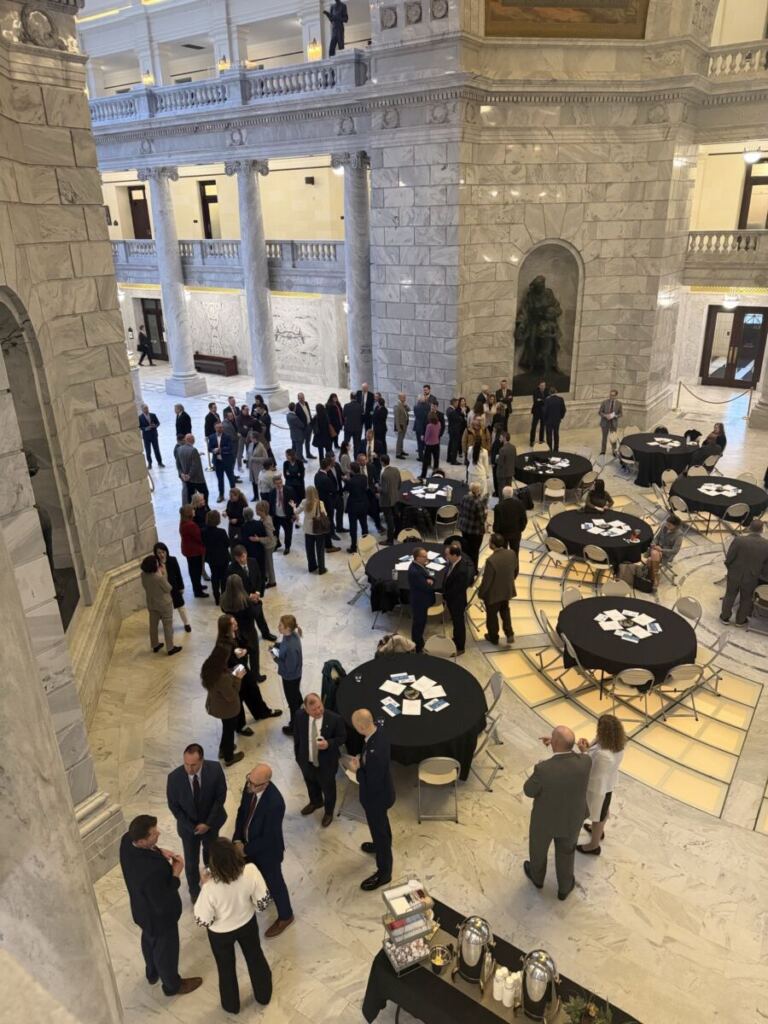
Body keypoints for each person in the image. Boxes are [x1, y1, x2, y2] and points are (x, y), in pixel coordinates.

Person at [119, 814, 202, 996]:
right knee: (167, 951)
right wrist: (176, 873)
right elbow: (164, 894)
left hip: (142, 911)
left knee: (149, 940)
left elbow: (146, 853)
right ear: (141, 841)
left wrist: (157, 849)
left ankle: (152, 972)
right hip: (161, 916)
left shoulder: (126, 841)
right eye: (153, 834)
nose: (159, 833)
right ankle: (173, 985)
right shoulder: (151, 871)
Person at [193, 838, 272, 1014]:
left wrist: (202, 885)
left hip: (220, 934)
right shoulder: (250, 871)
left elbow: (202, 920)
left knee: (225, 967)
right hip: (247, 924)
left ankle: (231, 1006)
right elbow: (262, 903)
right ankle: (263, 995)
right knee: (255, 958)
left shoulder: (209, 887)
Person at [523, 725, 591, 900]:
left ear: (554, 743)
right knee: (567, 852)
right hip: (572, 819)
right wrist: (579, 750)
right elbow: (575, 758)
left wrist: (544, 762)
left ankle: (537, 878)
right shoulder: (585, 762)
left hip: (545, 821)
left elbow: (529, 791)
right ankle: (565, 886)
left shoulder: (543, 769)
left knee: (538, 850)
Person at [233, 763, 294, 937]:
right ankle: (265, 894)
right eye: (249, 780)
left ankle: (286, 916)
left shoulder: (275, 803)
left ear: (266, 784)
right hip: (246, 844)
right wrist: (237, 839)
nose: (249, 786)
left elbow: (269, 837)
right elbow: (241, 813)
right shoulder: (250, 786)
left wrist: (245, 850)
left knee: (275, 882)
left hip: (268, 852)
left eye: (254, 784)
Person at [166, 743, 227, 901]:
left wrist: (207, 824)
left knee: (210, 855)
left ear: (202, 761)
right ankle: (194, 891)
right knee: (192, 862)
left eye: (193, 765)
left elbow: (220, 799)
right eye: (186, 764)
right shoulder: (174, 778)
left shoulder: (215, 770)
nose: (189, 769)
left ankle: (212, 883)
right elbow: (174, 807)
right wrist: (192, 827)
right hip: (188, 829)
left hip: (211, 825)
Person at [348, 708, 395, 890]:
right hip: (384, 791)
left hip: (376, 798)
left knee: (379, 831)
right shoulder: (378, 733)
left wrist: (357, 770)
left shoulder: (375, 752)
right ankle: (381, 844)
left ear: (360, 726)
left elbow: (371, 781)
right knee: (382, 825)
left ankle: (384, 873)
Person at [293, 692, 346, 826]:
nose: (318, 711)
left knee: (329, 790)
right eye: (314, 709)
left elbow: (342, 738)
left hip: (326, 765)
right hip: (306, 762)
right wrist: (299, 757)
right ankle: (316, 802)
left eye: (320, 707)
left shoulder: (335, 719)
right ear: (306, 709)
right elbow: (297, 737)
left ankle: (328, 812)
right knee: (310, 784)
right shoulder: (299, 716)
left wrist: (328, 743)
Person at [576, 714, 626, 856]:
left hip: (598, 789)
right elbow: (595, 746)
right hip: (607, 784)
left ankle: (594, 845)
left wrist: (584, 753)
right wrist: (588, 746)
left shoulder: (604, 755)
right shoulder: (617, 743)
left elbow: (593, 772)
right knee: (602, 811)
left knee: (599, 815)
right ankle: (596, 830)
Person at [201, 617, 247, 767]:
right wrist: (237, 677)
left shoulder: (211, 669)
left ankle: (223, 749)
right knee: (229, 730)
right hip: (227, 708)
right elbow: (232, 695)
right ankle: (229, 757)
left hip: (217, 705)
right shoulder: (223, 678)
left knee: (226, 728)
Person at [720, 520, 768, 625]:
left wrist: (731, 569)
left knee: (729, 595)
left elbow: (729, 558)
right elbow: (766, 565)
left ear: (750, 528)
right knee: (746, 598)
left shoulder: (739, 540)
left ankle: (725, 618)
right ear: (762, 530)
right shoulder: (766, 545)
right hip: (752, 576)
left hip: (735, 573)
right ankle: (740, 621)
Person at [226, 545, 276, 641]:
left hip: (255, 597)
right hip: (242, 600)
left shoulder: (253, 561)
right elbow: (234, 588)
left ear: (246, 554)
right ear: (235, 558)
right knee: (246, 621)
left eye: (243, 556)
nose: (242, 559)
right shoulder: (231, 569)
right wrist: (249, 596)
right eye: (239, 558)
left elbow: (259, 578)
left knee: (260, 617)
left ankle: (265, 633)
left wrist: (257, 593)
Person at [479, 533, 517, 645]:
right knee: (505, 610)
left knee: (492, 616)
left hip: (493, 594)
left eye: (490, 541)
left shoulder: (491, 560)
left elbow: (486, 581)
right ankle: (509, 633)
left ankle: (493, 636)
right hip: (507, 590)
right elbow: (515, 568)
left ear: (493, 545)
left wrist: (481, 593)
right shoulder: (512, 553)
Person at [140, 554, 182, 656]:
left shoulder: (143, 575)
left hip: (151, 603)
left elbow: (145, 586)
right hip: (164, 604)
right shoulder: (159, 577)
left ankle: (155, 645)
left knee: (153, 625)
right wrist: (164, 574)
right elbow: (168, 588)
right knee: (167, 626)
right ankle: (170, 648)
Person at [442, 541, 475, 654]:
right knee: (456, 623)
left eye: (448, 555)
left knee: (459, 624)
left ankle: (460, 647)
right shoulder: (454, 563)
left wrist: (445, 597)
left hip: (457, 602)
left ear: (455, 555)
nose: (446, 557)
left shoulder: (461, 570)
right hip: (453, 600)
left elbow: (456, 590)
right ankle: (456, 640)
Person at [274, 613, 303, 736]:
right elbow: (284, 645)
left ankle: (295, 727)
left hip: (290, 677)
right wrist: (277, 646)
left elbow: (288, 668)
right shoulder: (292, 635)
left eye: (280, 625)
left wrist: (275, 658)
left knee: (292, 702)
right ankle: (302, 711)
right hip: (295, 675)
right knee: (296, 695)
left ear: (288, 629)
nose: (278, 627)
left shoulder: (291, 648)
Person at [154, 542, 191, 634]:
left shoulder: (173, 560)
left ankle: (186, 623)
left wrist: (181, 587)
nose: (162, 554)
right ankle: (168, 626)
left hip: (174, 588)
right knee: (166, 610)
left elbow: (178, 574)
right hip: (163, 591)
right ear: (156, 554)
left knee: (181, 607)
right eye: (159, 553)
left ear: (166, 551)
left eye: (163, 552)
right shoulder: (155, 564)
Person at [296, 485, 329, 574]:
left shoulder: (304, 502)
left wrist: (293, 506)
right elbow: (324, 514)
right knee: (320, 550)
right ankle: (321, 569)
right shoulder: (320, 503)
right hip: (318, 529)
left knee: (309, 550)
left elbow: (296, 512)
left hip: (308, 529)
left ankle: (312, 567)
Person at [408, 547, 435, 652]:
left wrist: (430, 580)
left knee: (420, 623)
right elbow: (427, 586)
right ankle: (418, 647)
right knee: (418, 624)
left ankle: (418, 643)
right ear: (417, 558)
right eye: (424, 557)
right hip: (420, 602)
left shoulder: (419, 566)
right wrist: (430, 581)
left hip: (420, 599)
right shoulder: (415, 572)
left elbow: (429, 580)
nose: (426, 558)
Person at [202, 510, 230, 605]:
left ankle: (217, 598)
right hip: (223, 558)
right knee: (223, 577)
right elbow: (227, 544)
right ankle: (224, 596)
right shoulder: (221, 532)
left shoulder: (204, 532)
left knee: (214, 576)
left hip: (211, 558)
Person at [314, 457, 342, 551]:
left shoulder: (317, 475)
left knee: (325, 522)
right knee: (328, 523)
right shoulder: (326, 478)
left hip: (321, 501)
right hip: (327, 502)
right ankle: (328, 544)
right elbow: (333, 490)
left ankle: (326, 542)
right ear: (328, 467)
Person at [457, 481, 487, 570]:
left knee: (466, 549)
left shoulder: (465, 497)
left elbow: (461, 510)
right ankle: (473, 570)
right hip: (475, 531)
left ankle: (465, 566)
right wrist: (485, 514)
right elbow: (482, 520)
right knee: (474, 552)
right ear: (479, 491)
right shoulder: (479, 503)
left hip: (464, 527)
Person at [179, 504, 207, 598]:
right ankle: (197, 590)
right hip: (194, 551)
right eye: (192, 510)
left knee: (193, 570)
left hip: (188, 550)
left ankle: (197, 586)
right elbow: (199, 538)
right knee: (196, 571)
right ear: (189, 513)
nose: (194, 511)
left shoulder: (184, 522)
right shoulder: (191, 525)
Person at [493, 485, 528, 555]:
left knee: (503, 554)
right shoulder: (520, 504)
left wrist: (496, 532)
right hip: (516, 533)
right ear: (512, 494)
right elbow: (524, 520)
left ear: (503, 495)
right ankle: (515, 566)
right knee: (515, 554)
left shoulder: (498, 507)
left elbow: (497, 523)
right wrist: (520, 529)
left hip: (503, 535)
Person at [209, 423, 237, 502]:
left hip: (227, 461)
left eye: (221, 427)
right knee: (220, 480)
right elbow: (209, 448)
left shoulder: (227, 436)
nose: (220, 429)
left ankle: (234, 495)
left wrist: (221, 450)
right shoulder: (211, 437)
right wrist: (213, 450)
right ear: (215, 428)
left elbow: (230, 447)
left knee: (231, 479)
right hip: (217, 462)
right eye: (218, 427)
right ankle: (221, 495)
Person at [345, 463, 369, 553]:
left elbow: (346, 489)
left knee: (353, 528)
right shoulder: (364, 478)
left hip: (353, 507)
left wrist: (346, 480)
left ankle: (353, 546)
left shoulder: (350, 481)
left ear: (352, 470)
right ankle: (366, 544)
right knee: (364, 525)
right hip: (363, 504)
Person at [176, 434, 208, 503]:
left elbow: (178, 465)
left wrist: (182, 474)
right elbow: (195, 466)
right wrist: (189, 475)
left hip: (186, 479)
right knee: (205, 493)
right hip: (197, 479)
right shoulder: (194, 450)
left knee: (190, 496)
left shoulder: (179, 449)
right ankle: (205, 508)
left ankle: (192, 509)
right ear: (193, 440)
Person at [378, 454, 401, 545]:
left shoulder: (384, 474)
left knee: (389, 520)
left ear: (382, 462)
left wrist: (377, 488)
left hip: (386, 500)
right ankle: (397, 533)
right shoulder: (396, 470)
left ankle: (390, 540)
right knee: (396, 517)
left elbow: (384, 490)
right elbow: (399, 483)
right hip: (395, 497)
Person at [273, 476, 297, 555]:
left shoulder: (289, 490)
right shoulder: (272, 492)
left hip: (286, 516)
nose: (279, 485)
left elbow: (294, 503)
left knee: (288, 532)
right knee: (275, 532)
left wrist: (294, 515)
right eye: (277, 484)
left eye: (280, 483)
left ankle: (287, 547)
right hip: (276, 516)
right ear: (274, 484)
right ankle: (277, 544)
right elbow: (270, 504)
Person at [598, 389, 623, 456]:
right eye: (610, 395)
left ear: (616, 396)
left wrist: (615, 416)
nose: (611, 396)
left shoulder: (619, 404)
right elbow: (600, 412)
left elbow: (621, 414)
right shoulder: (604, 402)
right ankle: (603, 451)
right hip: (605, 423)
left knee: (613, 438)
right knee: (604, 437)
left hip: (613, 423)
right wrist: (605, 415)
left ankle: (614, 451)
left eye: (613, 395)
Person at [139, 404, 164, 469]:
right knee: (148, 451)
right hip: (146, 437)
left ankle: (160, 462)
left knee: (157, 450)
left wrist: (155, 425)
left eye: (147, 408)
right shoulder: (140, 417)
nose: (146, 410)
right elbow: (140, 427)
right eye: (145, 409)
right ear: (142, 410)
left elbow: (158, 423)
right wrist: (145, 428)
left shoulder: (153, 415)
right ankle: (150, 464)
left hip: (154, 435)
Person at [543, 387, 566, 451]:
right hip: (557, 420)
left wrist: (545, 419)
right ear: (556, 392)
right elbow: (563, 410)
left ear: (549, 393)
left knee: (549, 435)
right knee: (556, 434)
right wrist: (560, 417)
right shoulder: (561, 399)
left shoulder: (547, 400)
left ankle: (549, 448)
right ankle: (556, 448)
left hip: (548, 420)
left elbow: (545, 411)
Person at [420, 411, 442, 479]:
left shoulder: (429, 426)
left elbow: (426, 436)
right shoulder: (439, 423)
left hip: (429, 445)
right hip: (436, 444)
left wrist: (423, 439)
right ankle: (435, 475)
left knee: (426, 461)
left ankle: (423, 475)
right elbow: (438, 433)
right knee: (436, 460)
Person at [248, 433, 269, 503]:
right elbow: (249, 454)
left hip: (258, 468)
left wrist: (254, 459)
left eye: (251, 437)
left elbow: (265, 458)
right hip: (252, 467)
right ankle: (256, 496)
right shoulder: (250, 445)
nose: (250, 439)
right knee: (253, 482)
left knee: (259, 483)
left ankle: (262, 496)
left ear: (255, 438)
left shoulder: (261, 446)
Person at [295, 392, 314, 460]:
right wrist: (302, 426)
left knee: (308, 441)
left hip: (309, 426)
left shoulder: (306, 403)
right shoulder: (296, 407)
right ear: (298, 398)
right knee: (301, 443)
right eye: (300, 398)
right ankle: (301, 457)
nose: (302, 399)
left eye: (303, 398)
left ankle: (308, 454)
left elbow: (308, 413)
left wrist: (311, 423)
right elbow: (297, 418)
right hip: (303, 428)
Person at [446, 398, 464, 465]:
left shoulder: (449, 409)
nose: (458, 404)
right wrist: (461, 417)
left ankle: (449, 458)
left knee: (451, 444)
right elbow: (460, 419)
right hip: (455, 430)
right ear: (454, 403)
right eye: (457, 403)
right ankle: (453, 460)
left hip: (451, 430)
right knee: (454, 446)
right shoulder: (452, 411)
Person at [529, 380, 547, 446]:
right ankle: (532, 441)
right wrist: (543, 400)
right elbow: (536, 401)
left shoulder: (546, 391)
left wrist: (541, 400)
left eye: (544, 385)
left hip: (543, 412)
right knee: (534, 426)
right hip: (536, 411)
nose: (543, 387)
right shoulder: (535, 391)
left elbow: (547, 400)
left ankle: (541, 439)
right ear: (539, 386)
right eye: (542, 385)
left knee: (542, 426)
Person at [413, 396, 429, 462]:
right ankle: (426, 456)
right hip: (426, 426)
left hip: (419, 427)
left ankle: (421, 457)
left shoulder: (416, 407)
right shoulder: (428, 406)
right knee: (425, 442)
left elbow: (416, 416)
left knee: (419, 443)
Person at [394, 393, 410, 458]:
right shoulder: (397, 405)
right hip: (400, 425)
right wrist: (398, 428)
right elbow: (396, 418)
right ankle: (398, 453)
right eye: (403, 397)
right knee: (399, 439)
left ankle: (401, 450)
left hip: (405, 424)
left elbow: (409, 409)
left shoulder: (403, 404)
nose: (405, 398)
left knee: (402, 439)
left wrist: (406, 405)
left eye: (405, 397)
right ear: (400, 397)